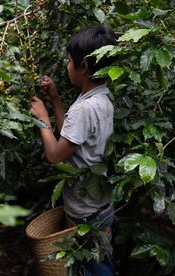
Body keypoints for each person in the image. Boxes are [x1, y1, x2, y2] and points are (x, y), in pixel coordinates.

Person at [30, 25, 116, 276]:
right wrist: (56, 100)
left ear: (85, 67)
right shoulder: (100, 96)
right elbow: (72, 136)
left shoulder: (85, 108)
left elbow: (56, 155)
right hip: (99, 204)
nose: (67, 66)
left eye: (69, 61)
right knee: (96, 261)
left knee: (96, 268)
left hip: (87, 210)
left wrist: (42, 119)